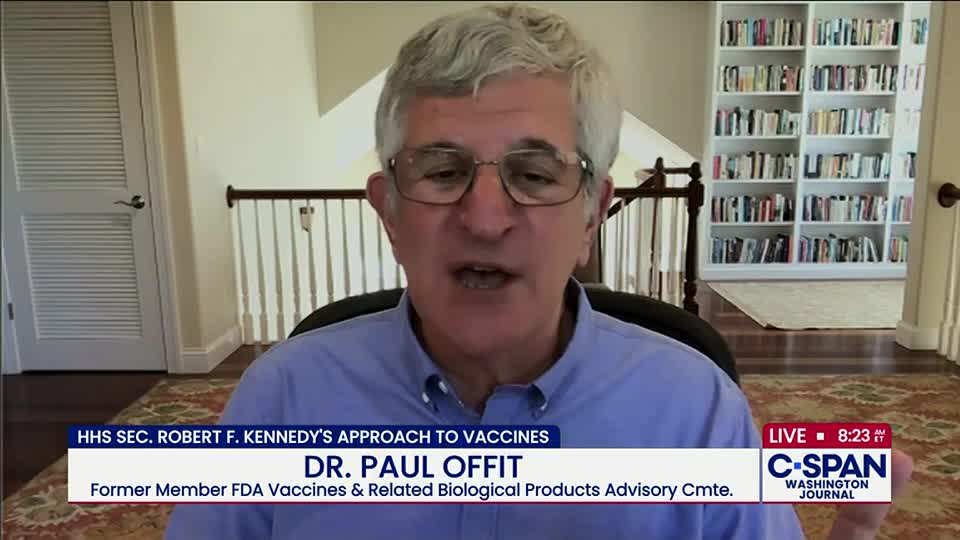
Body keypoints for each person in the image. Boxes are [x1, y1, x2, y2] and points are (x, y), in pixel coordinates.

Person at [166, 4, 911, 538]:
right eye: (442, 168)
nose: (485, 218)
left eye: (534, 171)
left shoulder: (697, 414)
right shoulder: (280, 398)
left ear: (592, 212)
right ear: (389, 210)